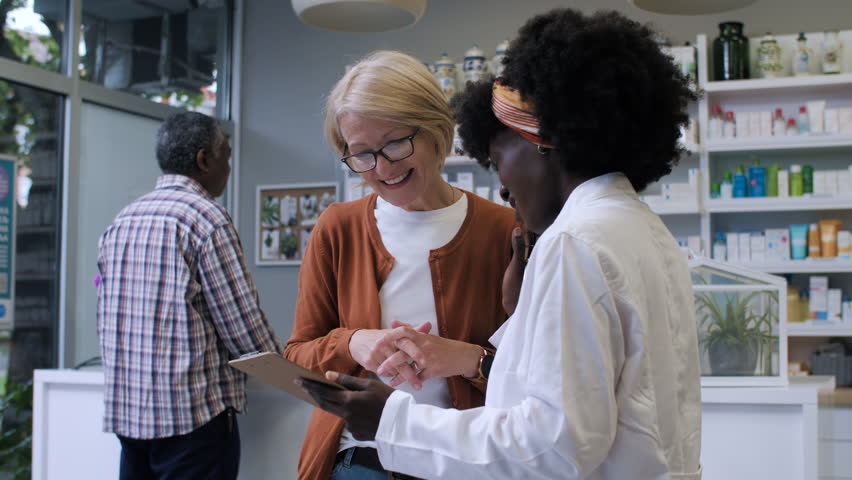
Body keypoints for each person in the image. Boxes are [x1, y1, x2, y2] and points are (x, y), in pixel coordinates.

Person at [299, 8, 703, 480]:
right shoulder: (640, 229)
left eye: (497, 157)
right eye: (361, 154)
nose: (504, 187)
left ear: (543, 141)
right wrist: (516, 313)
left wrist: (392, 420)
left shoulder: (572, 243)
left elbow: (552, 446)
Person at [283, 50, 519, 479]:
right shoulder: (338, 228)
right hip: (362, 459)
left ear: (435, 129)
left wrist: (467, 359)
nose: (383, 167)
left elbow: (534, 378)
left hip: (465, 458)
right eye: (362, 154)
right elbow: (297, 356)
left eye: (395, 143)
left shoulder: (506, 231)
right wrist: (352, 343)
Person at [97, 111, 284, 480]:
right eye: (226, 156)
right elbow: (243, 328)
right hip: (191, 420)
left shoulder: (123, 220)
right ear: (204, 159)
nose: (228, 169)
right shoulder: (207, 219)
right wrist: (289, 371)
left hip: (129, 419)